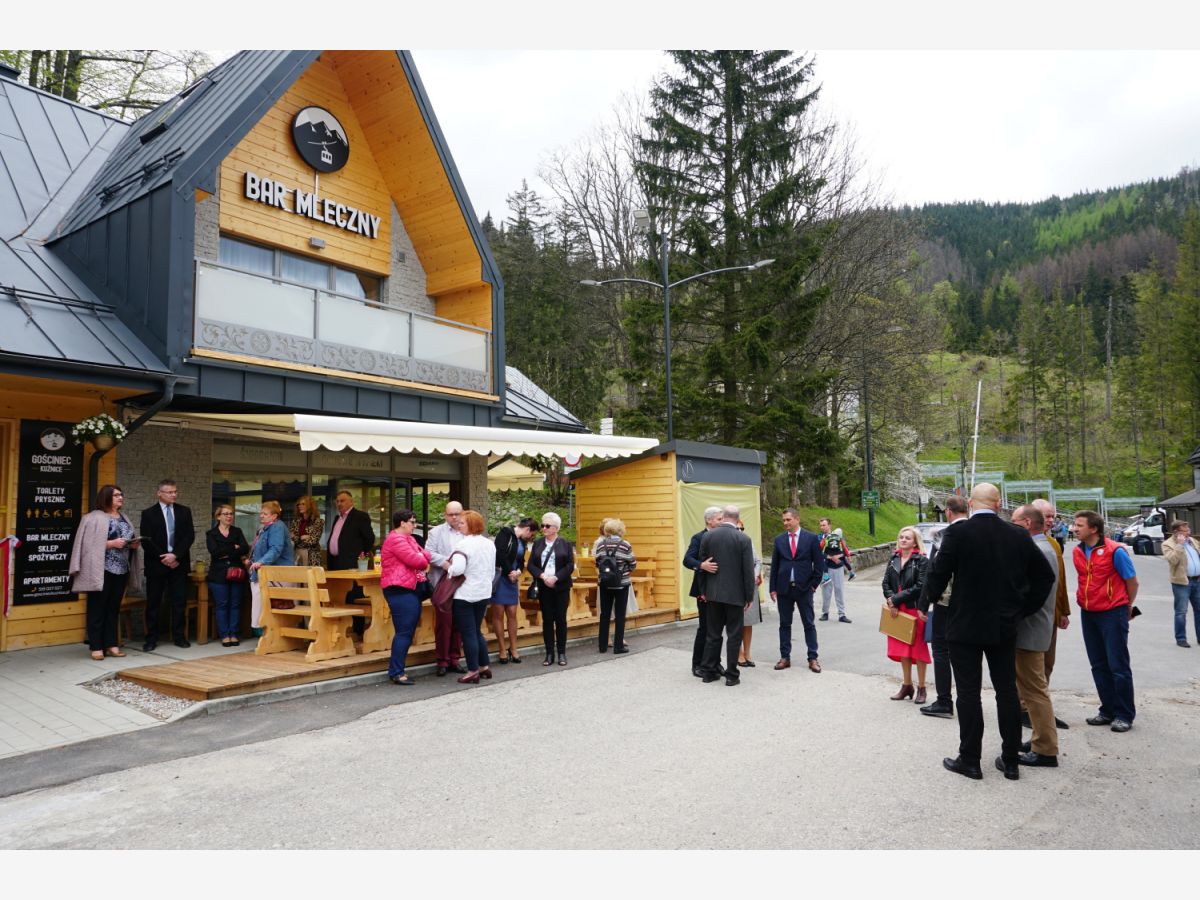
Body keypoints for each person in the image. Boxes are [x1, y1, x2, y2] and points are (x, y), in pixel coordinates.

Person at [923, 483, 1055, 781]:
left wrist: (930, 600)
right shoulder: (1017, 534)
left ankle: (970, 759)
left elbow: (938, 574)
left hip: (964, 624)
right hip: (1003, 625)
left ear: (970, 504)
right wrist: (1021, 609)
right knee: (1006, 691)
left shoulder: (957, 533)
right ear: (998, 504)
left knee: (968, 693)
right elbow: (1044, 578)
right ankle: (1011, 760)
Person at [1073, 509, 1139, 733]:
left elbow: (1132, 582)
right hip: (1088, 612)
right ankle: (1108, 710)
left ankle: (1124, 714)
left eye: (1079, 525)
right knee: (1098, 664)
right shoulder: (1078, 551)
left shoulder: (1115, 551)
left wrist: (1126, 605)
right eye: (1075, 524)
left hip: (1113, 612)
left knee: (1118, 665)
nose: (1074, 528)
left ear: (1094, 529)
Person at [1009, 504, 1061, 768]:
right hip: (1036, 627)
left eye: (1015, 521)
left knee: (1034, 690)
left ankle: (1045, 749)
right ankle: (1041, 738)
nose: (1011, 525)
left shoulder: (1037, 550)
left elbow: (1030, 592)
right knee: (1033, 690)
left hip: (1030, 629)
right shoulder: (1045, 547)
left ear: (1027, 523)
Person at [69, 485, 142, 660]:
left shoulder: (124, 517)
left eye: (121, 494)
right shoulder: (92, 518)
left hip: (122, 569)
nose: (120, 497)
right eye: (116, 495)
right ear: (106, 497)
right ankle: (96, 646)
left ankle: (111, 644)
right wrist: (110, 544)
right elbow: (85, 545)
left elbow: (127, 539)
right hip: (101, 570)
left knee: (113, 608)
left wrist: (133, 544)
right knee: (97, 608)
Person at [917, 495, 969, 718]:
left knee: (941, 650)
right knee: (967, 652)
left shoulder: (944, 535)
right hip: (971, 603)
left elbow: (934, 571)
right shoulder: (977, 532)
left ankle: (944, 701)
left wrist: (924, 602)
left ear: (948, 511)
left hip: (946, 602)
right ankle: (967, 699)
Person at [698, 505, 756, 685]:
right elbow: (748, 571)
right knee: (734, 635)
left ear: (723, 517)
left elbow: (703, 566)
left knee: (713, 634)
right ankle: (731, 675)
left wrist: (703, 591)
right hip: (735, 595)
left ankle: (709, 672)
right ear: (738, 519)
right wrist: (749, 596)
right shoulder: (743, 538)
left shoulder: (708, 536)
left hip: (713, 593)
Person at [140, 478, 195, 651]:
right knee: (154, 603)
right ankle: (151, 638)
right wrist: (164, 558)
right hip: (156, 565)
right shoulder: (148, 513)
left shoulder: (184, 511)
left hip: (178, 564)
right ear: (159, 493)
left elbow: (189, 536)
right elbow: (146, 540)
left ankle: (179, 636)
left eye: (175, 491)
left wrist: (175, 555)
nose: (174, 495)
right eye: (170, 492)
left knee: (179, 602)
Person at [1030, 497, 1071, 730]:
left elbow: (1060, 581)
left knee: (1048, 663)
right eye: (1047, 516)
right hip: (1033, 618)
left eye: (1053, 516)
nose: (1051, 520)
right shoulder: (1028, 544)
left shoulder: (1054, 544)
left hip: (1051, 615)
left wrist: (1064, 610)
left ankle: (1041, 708)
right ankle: (1028, 709)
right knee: (1030, 667)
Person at [769, 507, 825, 673]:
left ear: (797, 519)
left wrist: (813, 585)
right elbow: (775, 565)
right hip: (784, 589)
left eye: (788, 519)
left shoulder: (811, 538)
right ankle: (785, 657)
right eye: (784, 520)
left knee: (809, 623)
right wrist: (773, 588)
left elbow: (819, 564)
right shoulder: (779, 540)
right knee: (784, 624)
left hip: (804, 589)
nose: (785, 523)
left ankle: (813, 658)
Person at [380, 508, 432, 685]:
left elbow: (426, 554)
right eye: (412, 522)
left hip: (409, 588)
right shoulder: (396, 539)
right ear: (402, 523)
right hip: (399, 589)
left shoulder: (409, 538)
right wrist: (420, 556)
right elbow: (418, 561)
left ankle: (397, 670)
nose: (414, 525)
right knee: (404, 631)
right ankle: (396, 672)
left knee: (407, 631)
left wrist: (421, 555)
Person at [446, 509, 497, 684]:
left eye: (462, 523)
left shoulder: (463, 545)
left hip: (465, 593)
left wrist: (449, 568)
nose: (459, 525)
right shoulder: (489, 544)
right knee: (476, 630)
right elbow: (492, 570)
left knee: (468, 633)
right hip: (484, 591)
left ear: (471, 525)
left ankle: (472, 670)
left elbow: (458, 569)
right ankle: (484, 666)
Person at [883, 526, 931, 703]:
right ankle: (907, 685)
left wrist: (895, 600)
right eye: (901, 537)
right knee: (903, 648)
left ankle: (922, 688)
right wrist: (892, 602)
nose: (903, 540)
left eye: (907, 538)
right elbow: (885, 583)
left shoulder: (922, 560)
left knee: (918, 650)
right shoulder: (894, 558)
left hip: (914, 609)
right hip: (896, 609)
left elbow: (920, 586)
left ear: (915, 542)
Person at [527, 511, 575, 667]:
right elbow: (531, 565)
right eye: (543, 525)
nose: (544, 528)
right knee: (547, 620)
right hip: (544, 586)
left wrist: (556, 577)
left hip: (560, 586)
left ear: (556, 528)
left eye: (547, 526)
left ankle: (561, 653)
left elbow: (570, 565)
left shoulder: (565, 544)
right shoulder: (538, 543)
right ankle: (549, 653)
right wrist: (542, 576)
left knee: (560, 619)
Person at [426, 501, 466, 676]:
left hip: (463, 584)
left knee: (459, 622)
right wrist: (445, 563)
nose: (454, 517)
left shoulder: (467, 531)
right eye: (451, 514)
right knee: (443, 623)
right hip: (443, 582)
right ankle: (442, 660)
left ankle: (455, 659)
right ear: (445, 515)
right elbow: (428, 553)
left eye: (457, 514)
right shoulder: (436, 532)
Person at [492, 517, 539, 663]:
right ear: (527, 529)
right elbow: (499, 554)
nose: (531, 537)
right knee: (499, 613)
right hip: (501, 577)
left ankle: (513, 648)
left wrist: (518, 570)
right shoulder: (505, 533)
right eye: (531, 535)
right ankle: (501, 648)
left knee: (512, 613)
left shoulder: (522, 542)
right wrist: (510, 572)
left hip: (512, 579)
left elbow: (520, 559)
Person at [686, 507, 723, 677]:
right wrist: (701, 565)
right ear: (709, 520)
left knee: (717, 629)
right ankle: (697, 664)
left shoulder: (722, 536)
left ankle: (715, 662)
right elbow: (687, 559)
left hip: (720, 590)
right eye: (719, 519)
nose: (722, 522)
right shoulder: (698, 537)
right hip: (704, 590)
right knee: (705, 628)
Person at [206, 503, 249, 647]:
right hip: (218, 574)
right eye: (226, 514)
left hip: (237, 573)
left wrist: (226, 551)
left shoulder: (237, 531)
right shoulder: (211, 534)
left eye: (231, 514)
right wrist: (233, 547)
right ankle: (224, 635)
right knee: (222, 605)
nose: (229, 516)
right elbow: (215, 553)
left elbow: (244, 548)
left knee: (235, 604)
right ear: (218, 516)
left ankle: (234, 634)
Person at [248, 501, 295, 629]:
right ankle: (265, 632)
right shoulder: (265, 528)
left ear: (274, 516)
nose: (261, 516)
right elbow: (260, 548)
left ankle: (266, 632)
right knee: (261, 604)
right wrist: (251, 559)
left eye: (265, 514)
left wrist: (261, 562)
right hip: (267, 574)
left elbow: (275, 549)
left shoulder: (277, 527)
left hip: (277, 574)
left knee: (266, 606)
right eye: (261, 513)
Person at [593, 517, 637, 654]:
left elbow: (597, 562)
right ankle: (618, 646)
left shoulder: (601, 545)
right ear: (620, 530)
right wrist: (624, 571)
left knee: (604, 614)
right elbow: (633, 564)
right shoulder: (625, 545)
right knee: (620, 615)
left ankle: (602, 646)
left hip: (605, 584)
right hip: (621, 584)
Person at [1162, 520, 1200, 648]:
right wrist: (1179, 545)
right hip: (1182, 582)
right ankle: (1181, 638)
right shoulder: (1168, 544)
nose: (1188, 532)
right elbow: (1173, 560)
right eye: (1185, 530)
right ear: (1176, 532)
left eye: (1188, 529)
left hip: (1197, 581)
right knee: (1181, 612)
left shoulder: (1192, 541)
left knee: (1199, 610)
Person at [736, 518, 763, 667]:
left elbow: (758, 561)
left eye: (742, 528)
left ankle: (747, 652)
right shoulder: (729, 543)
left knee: (748, 621)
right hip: (735, 587)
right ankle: (738, 653)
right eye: (737, 528)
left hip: (750, 586)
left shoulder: (748, 541)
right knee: (736, 622)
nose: (740, 531)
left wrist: (754, 575)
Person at [818, 517, 852, 623]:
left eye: (824, 525)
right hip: (826, 568)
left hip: (838, 567)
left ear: (829, 525)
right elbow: (817, 552)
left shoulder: (838, 536)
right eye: (821, 525)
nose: (822, 527)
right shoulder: (819, 538)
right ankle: (825, 613)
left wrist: (839, 556)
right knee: (826, 592)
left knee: (839, 590)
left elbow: (845, 550)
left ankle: (842, 614)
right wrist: (830, 557)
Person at [290, 495, 324, 567]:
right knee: (298, 574)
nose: (300, 506)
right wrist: (302, 537)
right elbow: (291, 537)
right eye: (299, 504)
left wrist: (296, 537)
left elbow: (313, 540)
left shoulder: (318, 521)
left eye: (303, 504)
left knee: (310, 574)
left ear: (310, 506)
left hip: (312, 555)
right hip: (297, 553)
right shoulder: (295, 521)